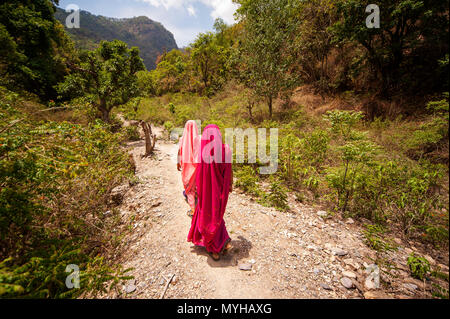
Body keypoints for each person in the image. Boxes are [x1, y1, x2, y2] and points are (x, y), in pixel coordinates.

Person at [187, 124, 233, 261]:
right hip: (220, 191)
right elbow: (229, 172)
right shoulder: (226, 150)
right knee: (216, 215)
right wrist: (230, 184)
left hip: (206, 192)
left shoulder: (203, 153)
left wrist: (196, 188)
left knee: (207, 215)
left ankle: (214, 247)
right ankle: (222, 241)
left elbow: (200, 173)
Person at [177, 121, 200, 217]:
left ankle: (193, 209)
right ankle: (200, 203)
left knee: (189, 188)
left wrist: (178, 163)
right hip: (197, 166)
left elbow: (179, 152)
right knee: (196, 185)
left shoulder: (182, 139)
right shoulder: (199, 139)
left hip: (186, 166)